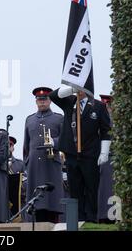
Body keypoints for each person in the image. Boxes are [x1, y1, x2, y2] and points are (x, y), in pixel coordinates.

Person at [49, 86, 111, 222]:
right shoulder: (69, 102)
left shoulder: (98, 106)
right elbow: (53, 96)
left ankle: (92, 219)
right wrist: (71, 88)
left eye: (82, 87)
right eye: (78, 87)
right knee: (75, 190)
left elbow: (106, 130)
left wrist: (104, 152)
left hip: (90, 154)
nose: (80, 90)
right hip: (71, 154)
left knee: (91, 188)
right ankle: (78, 220)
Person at [23, 87, 64, 223]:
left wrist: (55, 142)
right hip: (35, 165)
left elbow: (66, 139)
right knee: (36, 202)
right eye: (39, 100)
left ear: (50, 100)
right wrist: (27, 163)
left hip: (51, 163)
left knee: (52, 202)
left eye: (45, 99)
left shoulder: (59, 118)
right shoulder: (29, 119)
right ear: (36, 101)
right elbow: (26, 145)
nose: (42, 102)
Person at [97, 94, 115, 223]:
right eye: (104, 106)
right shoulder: (95, 120)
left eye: (108, 106)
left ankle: (112, 217)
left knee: (110, 191)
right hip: (95, 158)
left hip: (112, 159)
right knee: (98, 191)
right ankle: (99, 217)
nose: (107, 109)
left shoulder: (117, 123)